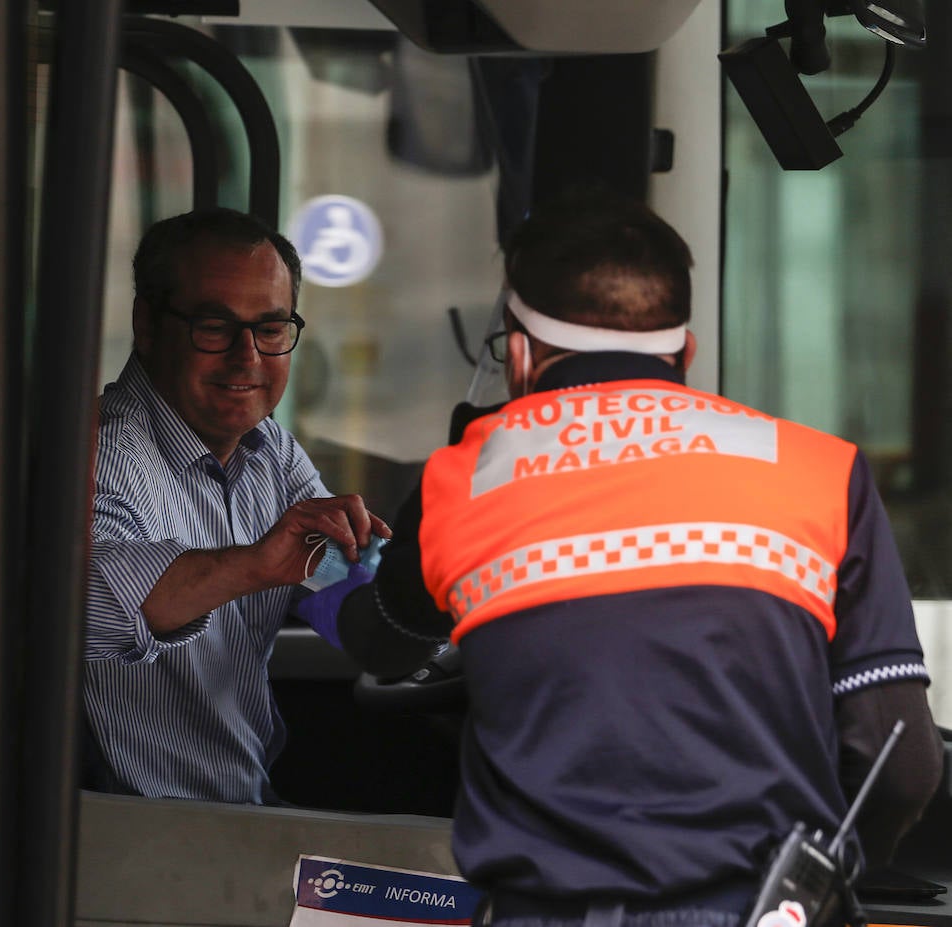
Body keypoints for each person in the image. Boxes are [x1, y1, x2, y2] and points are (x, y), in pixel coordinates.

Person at [336, 188, 944, 925]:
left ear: (520, 354)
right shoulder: (822, 473)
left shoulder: (463, 477)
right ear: (684, 352)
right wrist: (830, 871)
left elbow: (382, 641)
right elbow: (901, 761)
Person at [84, 206, 390, 804]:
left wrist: (410, 596)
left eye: (270, 329)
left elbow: (333, 587)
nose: (247, 357)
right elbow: (88, 604)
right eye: (213, 326)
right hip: (132, 832)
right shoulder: (100, 451)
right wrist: (256, 563)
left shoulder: (266, 446)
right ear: (146, 325)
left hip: (242, 803)